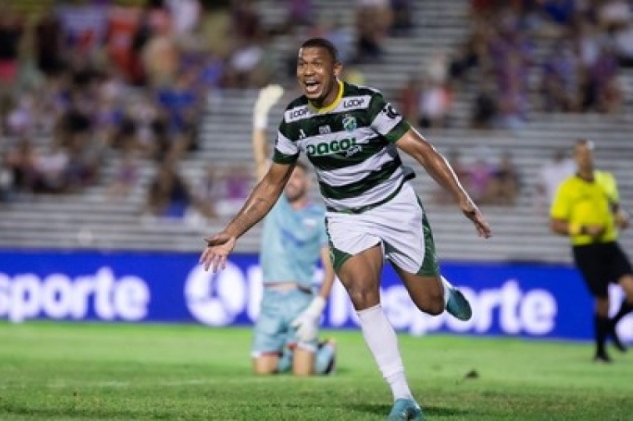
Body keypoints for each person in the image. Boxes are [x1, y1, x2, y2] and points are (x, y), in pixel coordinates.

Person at [200, 38, 492, 420]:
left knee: (430, 305)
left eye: (316, 63)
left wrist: (462, 198)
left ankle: (442, 287)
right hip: (346, 215)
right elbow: (272, 183)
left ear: (335, 69)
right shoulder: (293, 119)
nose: (307, 70)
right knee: (361, 292)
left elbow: (421, 149)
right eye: (302, 63)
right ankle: (402, 396)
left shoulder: (366, 103)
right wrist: (234, 230)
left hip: (394, 204)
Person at [250, 84, 337, 376]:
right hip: (271, 299)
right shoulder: (274, 204)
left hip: (302, 299)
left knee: (304, 376)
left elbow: (330, 266)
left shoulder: (320, 215)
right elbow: (261, 161)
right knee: (263, 370)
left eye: (298, 177)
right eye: (288, 177)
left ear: (307, 182)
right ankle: (292, 350)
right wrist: (260, 117)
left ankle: (325, 352)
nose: (291, 181)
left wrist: (317, 307)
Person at [550, 139, 633, 363]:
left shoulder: (606, 180)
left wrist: (621, 218)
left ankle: (612, 326)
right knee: (603, 298)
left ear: (593, 155)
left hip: (609, 243)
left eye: (588, 153)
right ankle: (600, 352)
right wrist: (585, 228)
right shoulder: (568, 188)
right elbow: (556, 224)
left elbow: (615, 207)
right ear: (575, 157)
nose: (585, 157)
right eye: (580, 153)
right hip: (585, 247)